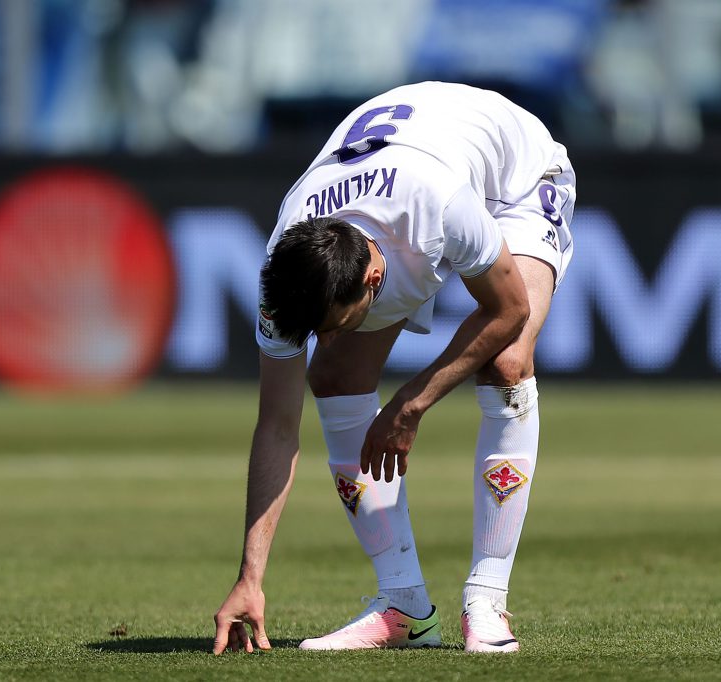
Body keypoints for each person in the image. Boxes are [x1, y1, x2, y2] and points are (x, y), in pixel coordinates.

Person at [212, 81, 575, 654]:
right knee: (331, 377)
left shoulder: (439, 207)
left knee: (506, 362)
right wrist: (250, 577)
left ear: (373, 283)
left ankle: (486, 602)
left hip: (516, 178)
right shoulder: (284, 274)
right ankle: (404, 605)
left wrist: (410, 406)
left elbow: (509, 310)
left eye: (332, 323)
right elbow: (277, 425)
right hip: (406, 172)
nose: (323, 338)